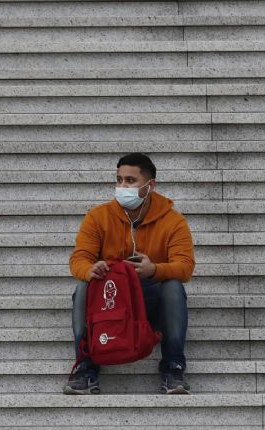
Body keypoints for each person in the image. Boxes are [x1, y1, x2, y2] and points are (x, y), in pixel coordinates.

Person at [64, 153, 195, 395]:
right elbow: (79, 259)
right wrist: (91, 269)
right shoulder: (98, 217)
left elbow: (185, 266)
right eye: (119, 180)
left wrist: (154, 269)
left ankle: (173, 368)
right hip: (111, 300)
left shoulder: (173, 221)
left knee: (173, 286)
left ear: (150, 186)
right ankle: (85, 369)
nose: (122, 186)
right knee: (83, 286)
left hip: (149, 299)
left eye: (130, 181)